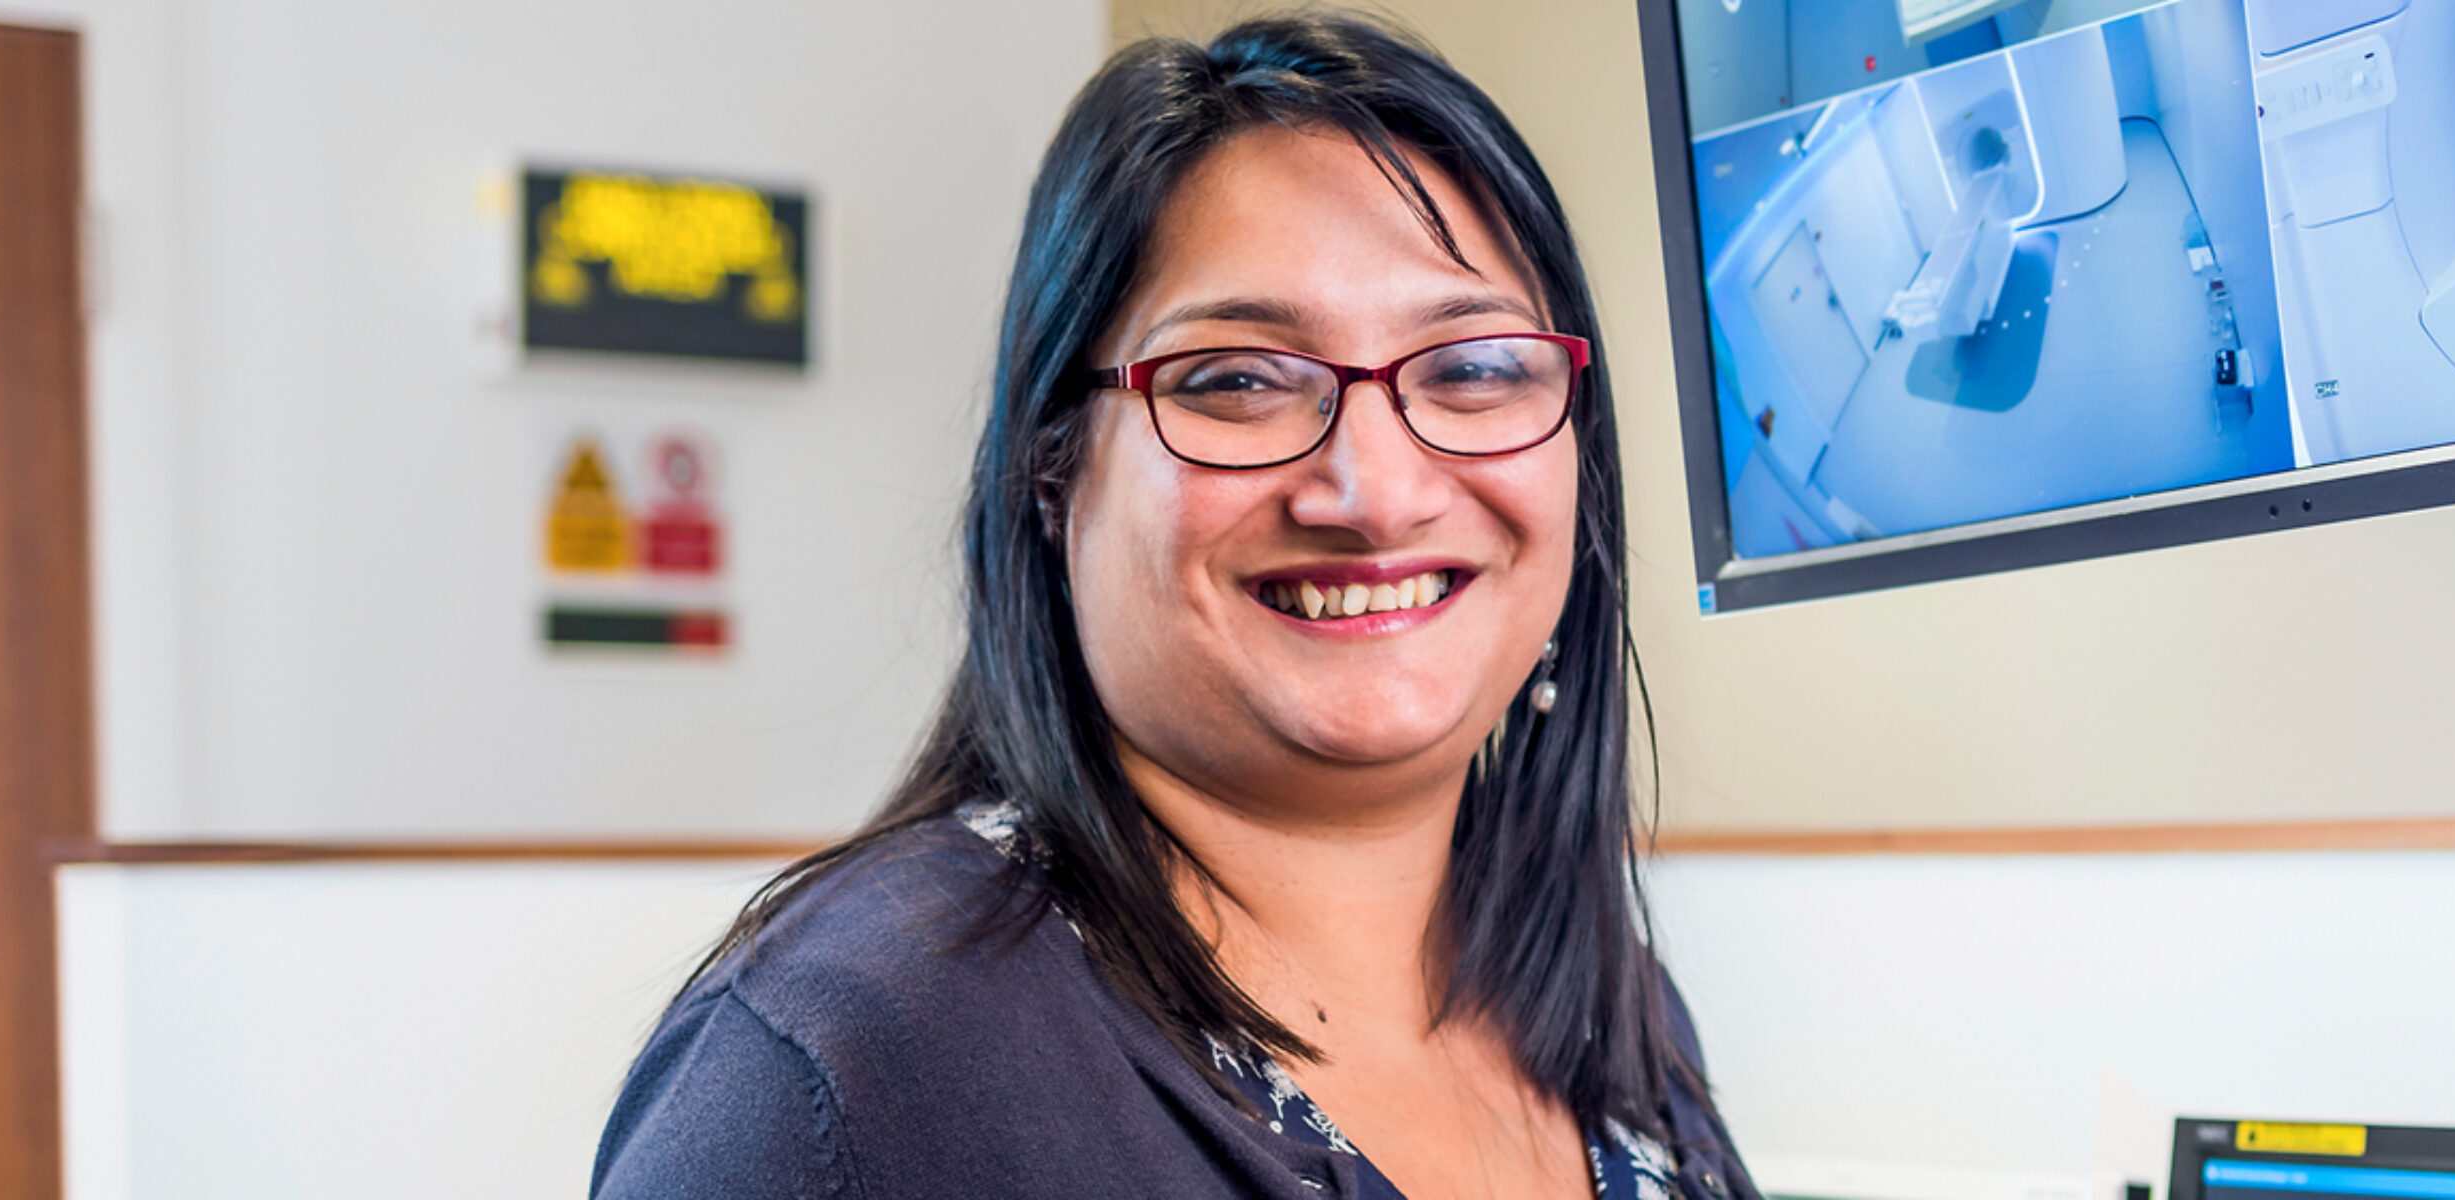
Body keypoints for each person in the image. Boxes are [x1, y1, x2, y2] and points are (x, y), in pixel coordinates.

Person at [589, 12, 1761, 1199]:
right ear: (1053, 472)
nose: (1373, 493)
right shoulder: (849, 1070)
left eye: (1470, 369)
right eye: (1239, 380)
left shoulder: (1605, 1016)